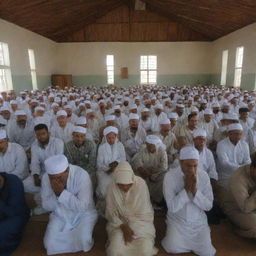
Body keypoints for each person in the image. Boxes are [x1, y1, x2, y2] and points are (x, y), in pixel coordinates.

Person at [162, 146, 216, 256]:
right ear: (181, 162)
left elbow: (208, 206)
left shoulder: (204, 176)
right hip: (177, 221)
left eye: (195, 165)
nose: (192, 169)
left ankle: (204, 234)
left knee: (207, 252)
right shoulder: (170, 176)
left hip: (198, 222)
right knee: (172, 247)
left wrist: (195, 191)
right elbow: (172, 207)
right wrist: (186, 189)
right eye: (188, 165)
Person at [42, 154, 98, 255]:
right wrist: (56, 195)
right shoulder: (46, 178)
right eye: (52, 178)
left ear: (67, 171)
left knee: (84, 241)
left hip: (83, 214)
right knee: (49, 244)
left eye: (58, 177)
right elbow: (46, 205)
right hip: (60, 214)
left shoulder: (82, 175)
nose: (55, 181)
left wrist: (61, 193)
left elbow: (82, 207)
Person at [105, 161, 158, 256]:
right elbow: (110, 212)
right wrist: (123, 226)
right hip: (118, 224)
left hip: (140, 224)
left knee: (145, 250)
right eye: (121, 184)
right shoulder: (111, 187)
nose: (125, 187)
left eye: (128, 184)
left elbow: (144, 213)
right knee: (114, 250)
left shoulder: (141, 184)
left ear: (132, 179)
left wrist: (131, 226)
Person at [24, 123, 64, 215]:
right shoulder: (34, 145)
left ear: (48, 133)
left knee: (49, 185)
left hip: (56, 174)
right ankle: (47, 195)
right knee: (24, 185)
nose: (41, 136)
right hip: (42, 173)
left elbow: (59, 162)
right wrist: (35, 176)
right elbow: (35, 163)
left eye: (43, 133)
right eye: (38, 134)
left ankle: (46, 204)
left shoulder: (58, 143)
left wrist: (48, 178)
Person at [222, 155, 256, 238]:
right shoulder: (238, 179)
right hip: (237, 209)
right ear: (253, 169)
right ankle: (238, 230)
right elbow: (245, 208)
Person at [131, 135, 168, 205]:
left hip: (157, 174)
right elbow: (138, 164)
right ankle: (141, 201)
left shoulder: (162, 152)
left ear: (156, 145)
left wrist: (152, 174)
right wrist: (144, 172)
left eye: (152, 145)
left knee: (165, 176)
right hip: (144, 174)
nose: (150, 147)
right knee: (135, 176)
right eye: (148, 145)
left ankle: (156, 200)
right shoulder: (143, 150)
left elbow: (164, 167)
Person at [0, 172, 30, 254]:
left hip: (17, 215)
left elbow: (14, 212)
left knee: (2, 232)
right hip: (3, 213)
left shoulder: (14, 182)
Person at [216, 123, 251, 190]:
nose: (238, 136)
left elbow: (248, 160)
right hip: (226, 176)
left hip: (242, 175)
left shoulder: (244, 144)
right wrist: (241, 168)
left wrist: (241, 169)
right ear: (229, 134)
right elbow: (224, 163)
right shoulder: (221, 144)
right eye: (236, 134)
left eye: (240, 134)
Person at [96, 126, 126, 200]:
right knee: (104, 191)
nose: (111, 140)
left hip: (118, 170)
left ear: (115, 137)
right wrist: (108, 169)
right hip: (104, 172)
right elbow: (99, 163)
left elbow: (123, 159)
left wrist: (116, 163)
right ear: (106, 137)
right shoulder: (102, 147)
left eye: (113, 137)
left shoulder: (120, 145)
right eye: (109, 138)